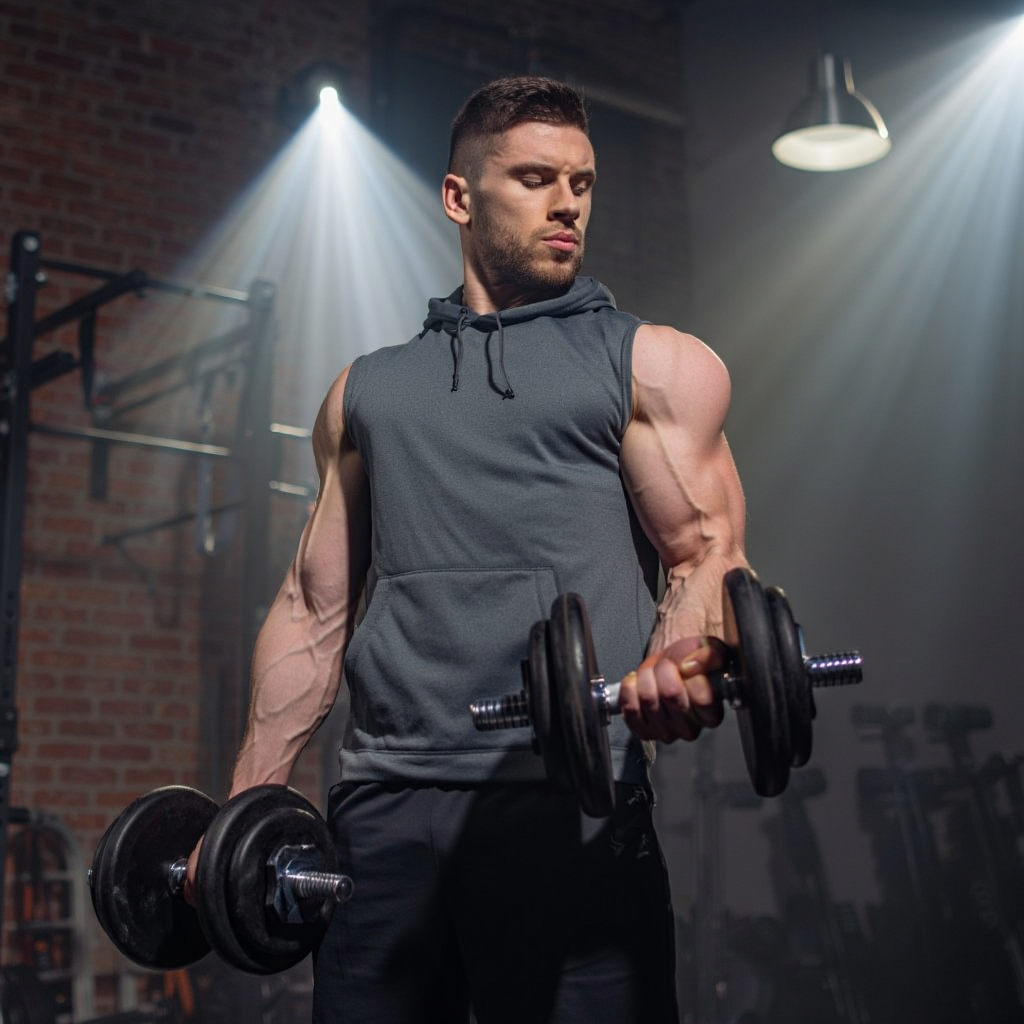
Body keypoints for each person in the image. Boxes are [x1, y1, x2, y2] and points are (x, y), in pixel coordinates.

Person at [188, 75, 749, 1023]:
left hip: (568, 797)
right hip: (383, 808)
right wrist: (250, 800)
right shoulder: (367, 391)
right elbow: (313, 609)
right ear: (459, 197)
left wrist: (679, 659)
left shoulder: (651, 363)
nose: (567, 202)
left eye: (581, 182)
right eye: (535, 178)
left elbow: (707, 556)